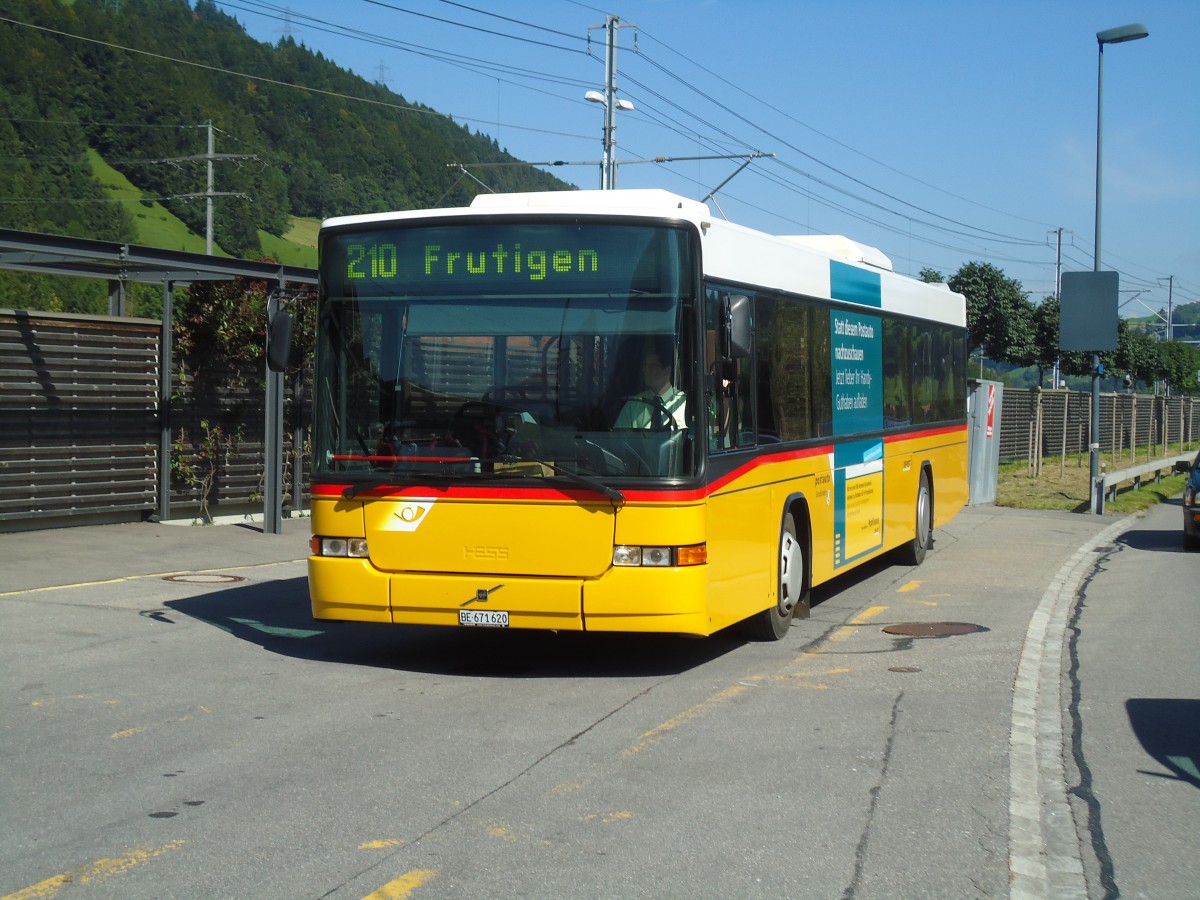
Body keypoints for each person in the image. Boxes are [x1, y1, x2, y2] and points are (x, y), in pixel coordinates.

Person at [614, 341, 687, 430]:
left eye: (651, 366)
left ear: (667, 370)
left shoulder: (683, 402)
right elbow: (618, 438)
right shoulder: (633, 404)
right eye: (645, 365)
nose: (645, 370)